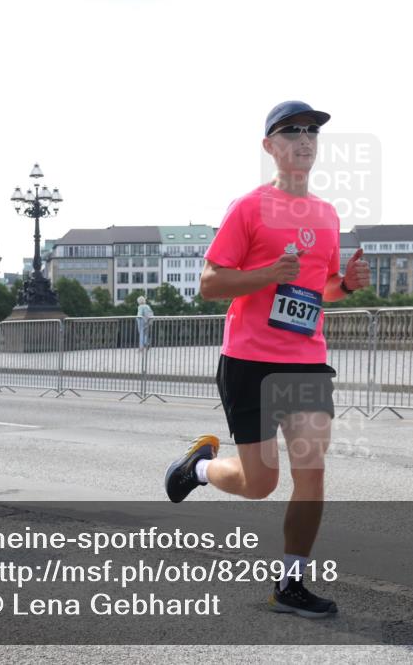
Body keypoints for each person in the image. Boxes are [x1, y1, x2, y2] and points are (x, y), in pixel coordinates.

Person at [164, 101, 370, 618]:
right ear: (270, 147)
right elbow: (210, 284)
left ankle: (291, 583)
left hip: (305, 358)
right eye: (291, 131)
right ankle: (202, 468)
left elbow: (316, 287)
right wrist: (267, 275)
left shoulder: (326, 214)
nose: (304, 139)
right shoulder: (249, 207)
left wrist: (343, 284)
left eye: (312, 133)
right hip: (250, 360)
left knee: (311, 471)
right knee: (261, 484)